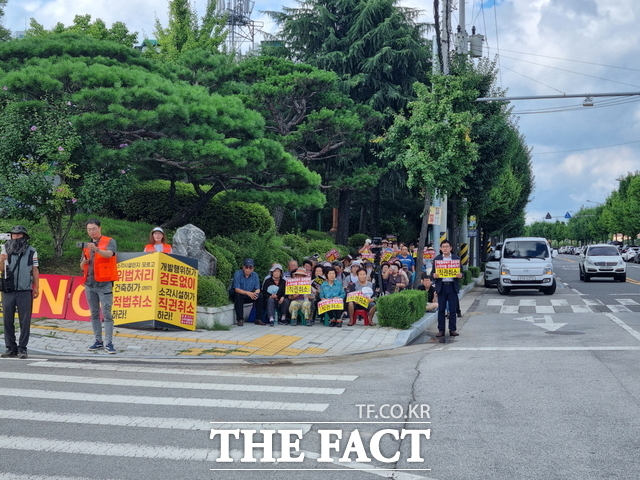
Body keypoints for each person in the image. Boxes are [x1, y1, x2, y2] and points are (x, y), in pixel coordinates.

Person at [0, 226, 39, 359]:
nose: (15, 237)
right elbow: (1, 269)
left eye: (18, 235)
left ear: (24, 236)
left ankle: (22, 348)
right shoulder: (4, 249)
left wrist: (36, 287)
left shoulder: (31, 251)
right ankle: (11, 348)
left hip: (25, 290)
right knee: (7, 319)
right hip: (8, 290)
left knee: (25, 320)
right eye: (13, 235)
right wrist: (2, 259)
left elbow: (35, 270)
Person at [81, 219, 119, 354]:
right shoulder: (87, 245)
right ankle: (98, 341)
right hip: (90, 284)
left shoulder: (109, 241)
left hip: (104, 284)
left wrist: (96, 249)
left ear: (99, 228)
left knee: (107, 314)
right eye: (89, 229)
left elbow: (110, 254)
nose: (91, 231)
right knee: (94, 314)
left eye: (93, 229)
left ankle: (109, 342)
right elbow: (81, 265)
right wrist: (84, 262)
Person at [432, 239, 463, 337]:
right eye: (443, 247)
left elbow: (462, 273)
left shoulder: (456, 259)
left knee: (452, 309)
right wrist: (434, 275)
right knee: (441, 309)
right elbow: (432, 273)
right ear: (440, 248)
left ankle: (452, 329)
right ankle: (441, 330)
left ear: (450, 248)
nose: (445, 248)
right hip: (441, 287)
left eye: (447, 246)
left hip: (452, 286)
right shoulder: (437, 259)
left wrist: (460, 275)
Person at [231, 258, 263, 326]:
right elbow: (236, 289)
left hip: (250, 295)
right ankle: (240, 319)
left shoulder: (255, 275)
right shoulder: (238, 274)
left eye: (250, 267)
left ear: (253, 268)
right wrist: (247, 293)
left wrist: (255, 293)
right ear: (243, 267)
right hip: (240, 294)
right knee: (237, 295)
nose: (248, 269)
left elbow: (258, 288)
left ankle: (258, 319)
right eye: (246, 267)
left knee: (260, 296)